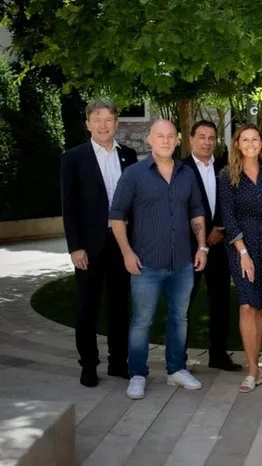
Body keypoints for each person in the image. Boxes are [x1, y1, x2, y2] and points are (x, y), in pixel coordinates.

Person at [110, 119, 208, 399]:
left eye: (170, 136)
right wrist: (127, 253)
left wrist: (202, 247)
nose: (165, 141)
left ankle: (176, 369)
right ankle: (137, 374)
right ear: (149, 139)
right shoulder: (134, 174)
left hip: (182, 263)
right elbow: (117, 216)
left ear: (177, 140)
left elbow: (197, 211)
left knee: (179, 318)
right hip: (146, 263)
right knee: (142, 321)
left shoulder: (187, 174)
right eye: (160, 136)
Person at [60, 99, 137, 387]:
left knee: (120, 306)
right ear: (88, 124)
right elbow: (69, 206)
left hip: (121, 243)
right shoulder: (73, 158)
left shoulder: (128, 155)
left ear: (116, 123)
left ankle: (118, 362)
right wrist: (75, 246)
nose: (103, 125)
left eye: (108, 120)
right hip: (89, 246)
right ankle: (89, 365)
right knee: (87, 308)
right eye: (97, 120)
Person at [218, 123, 262, 393]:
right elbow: (228, 216)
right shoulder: (227, 175)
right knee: (246, 304)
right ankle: (252, 369)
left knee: (260, 305)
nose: (251, 144)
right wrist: (243, 252)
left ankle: (257, 366)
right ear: (237, 144)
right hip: (240, 245)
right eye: (245, 139)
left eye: (255, 139)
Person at [182, 121, 241, 372]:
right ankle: (178, 358)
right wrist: (202, 238)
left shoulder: (225, 168)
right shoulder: (180, 169)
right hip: (189, 248)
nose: (207, 142)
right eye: (202, 137)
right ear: (191, 139)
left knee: (220, 302)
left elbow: (230, 203)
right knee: (183, 303)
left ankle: (218, 355)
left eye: (211, 137)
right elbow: (179, 209)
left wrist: (219, 229)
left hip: (220, 246)